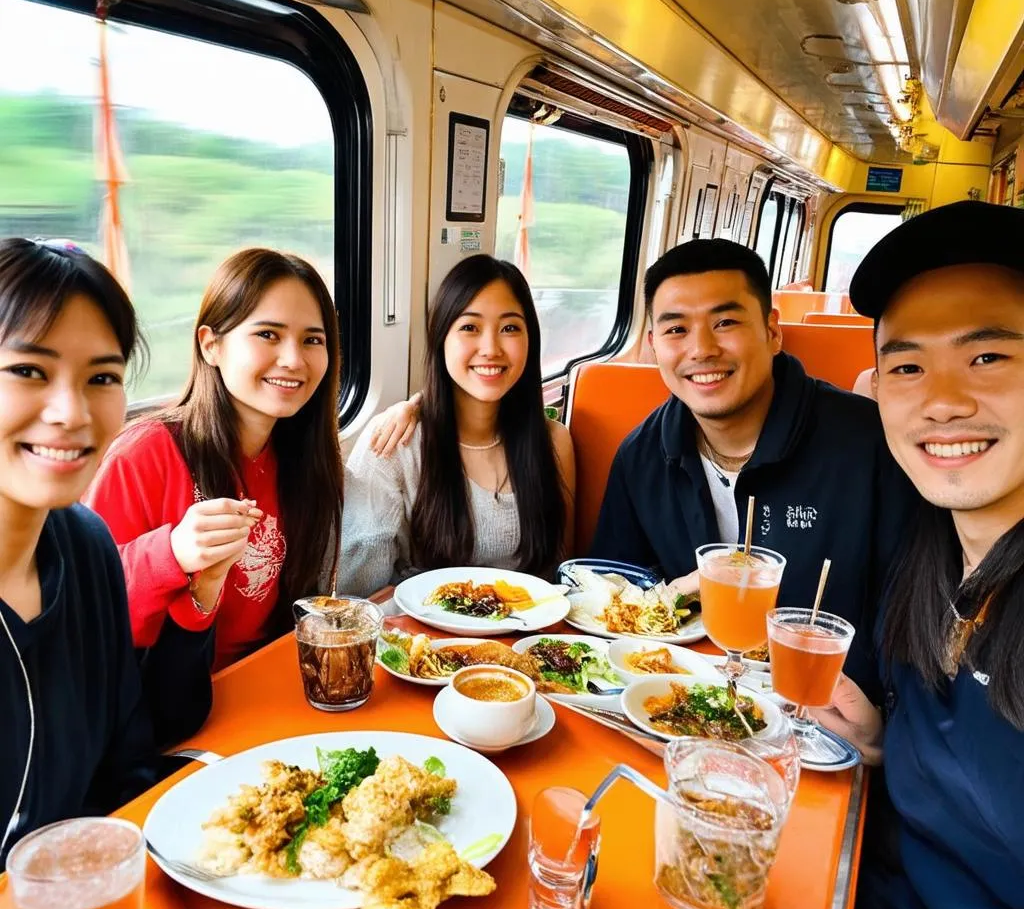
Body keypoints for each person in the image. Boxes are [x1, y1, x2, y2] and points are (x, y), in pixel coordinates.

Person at [814, 200, 1024, 909]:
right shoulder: (934, 555)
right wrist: (878, 746)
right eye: (908, 366)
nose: (941, 400)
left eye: (988, 358)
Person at [591, 239, 914, 695]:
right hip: (681, 699)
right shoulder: (642, 457)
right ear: (652, 346)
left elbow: (914, 615)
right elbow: (614, 595)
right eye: (676, 330)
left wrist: (884, 726)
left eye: (724, 322)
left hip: (829, 713)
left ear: (772, 331)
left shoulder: (868, 446)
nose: (701, 349)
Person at [85, 248, 344, 746]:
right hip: (158, 709)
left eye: (312, 340)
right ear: (211, 344)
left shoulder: (302, 457)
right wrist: (173, 553)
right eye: (268, 334)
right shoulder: (146, 454)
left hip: (262, 683)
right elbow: (92, 608)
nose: (293, 359)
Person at [0, 238, 155, 863]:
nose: (71, 412)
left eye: (102, 378)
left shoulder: (87, 549)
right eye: (29, 371)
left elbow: (128, 766)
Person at [339, 254, 574, 595]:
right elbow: (356, 594)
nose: (491, 348)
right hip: (419, 640)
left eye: (510, 328)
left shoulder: (553, 441)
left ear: (530, 340)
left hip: (523, 637)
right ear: (440, 339)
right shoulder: (394, 441)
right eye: (469, 327)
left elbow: (562, 576)